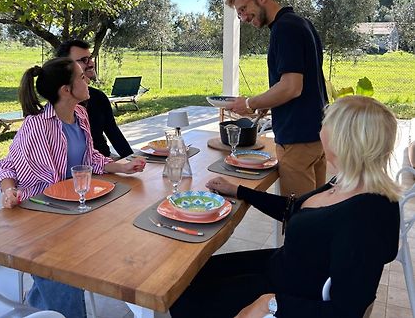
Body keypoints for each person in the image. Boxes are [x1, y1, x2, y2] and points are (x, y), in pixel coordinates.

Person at [170, 96, 401, 318]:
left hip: (288, 293)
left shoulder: (366, 218)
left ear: (343, 141)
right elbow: (294, 209)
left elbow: (346, 311)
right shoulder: (347, 181)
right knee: (187, 276)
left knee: (185, 298)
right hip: (281, 267)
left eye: (326, 124)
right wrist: (240, 191)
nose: (319, 129)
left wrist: (271, 304)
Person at [0, 57, 145, 318]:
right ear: (66, 90)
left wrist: (121, 166)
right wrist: (8, 191)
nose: (87, 79)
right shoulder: (37, 127)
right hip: (40, 216)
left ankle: (37, 309)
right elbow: (6, 167)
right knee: (67, 274)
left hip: (73, 210)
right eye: (81, 76)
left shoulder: (81, 114)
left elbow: (89, 159)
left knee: (122, 237)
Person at [225, 0, 328, 197]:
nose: (243, 17)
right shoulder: (301, 23)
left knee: (298, 218)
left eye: (244, 9)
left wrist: (249, 103)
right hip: (317, 134)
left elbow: (292, 87)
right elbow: (305, 83)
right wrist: (268, 104)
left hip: (297, 139)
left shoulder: (284, 28)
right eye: (239, 13)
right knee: (317, 211)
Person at [56, 39, 133, 159]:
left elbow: (113, 132)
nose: (91, 63)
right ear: (65, 66)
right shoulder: (56, 107)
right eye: (84, 60)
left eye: (90, 58)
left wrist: (132, 160)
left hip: (103, 163)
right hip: (74, 172)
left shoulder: (98, 97)